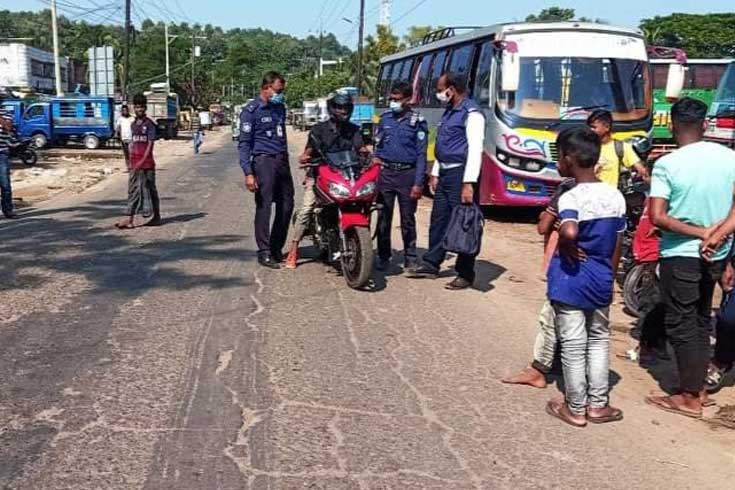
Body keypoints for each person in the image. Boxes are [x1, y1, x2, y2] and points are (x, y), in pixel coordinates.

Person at [644, 98, 735, 419]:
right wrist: (718, 234)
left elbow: (657, 216)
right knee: (699, 319)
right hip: (717, 254)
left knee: (682, 322)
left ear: (672, 124)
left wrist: (699, 233)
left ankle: (689, 397)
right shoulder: (730, 158)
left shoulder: (668, 164)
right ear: (705, 124)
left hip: (680, 253)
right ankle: (696, 388)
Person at [545, 126, 626, 427]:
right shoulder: (615, 196)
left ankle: (575, 407)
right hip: (601, 276)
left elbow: (568, 229)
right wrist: (611, 277)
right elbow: (617, 245)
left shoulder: (571, 196)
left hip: (571, 278)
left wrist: (567, 243)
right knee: (599, 340)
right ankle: (598, 404)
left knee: (573, 343)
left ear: (568, 160)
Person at [409, 73, 485, 290]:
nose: (439, 93)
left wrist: (469, 182)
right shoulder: (449, 112)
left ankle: (465, 273)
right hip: (445, 174)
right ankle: (431, 263)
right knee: (439, 219)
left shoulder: (472, 114)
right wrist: (436, 172)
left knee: (463, 223)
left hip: (462, 174)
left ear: (452, 89)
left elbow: (474, 151)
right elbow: (443, 145)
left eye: (441, 88)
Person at [502, 177, 576, 388]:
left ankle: (539, 370)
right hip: (596, 270)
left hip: (564, 263)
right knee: (587, 325)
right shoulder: (609, 193)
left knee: (551, 315)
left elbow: (544, 227)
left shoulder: (569, 189)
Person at [284, 91, 368, 269]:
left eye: (345, 107)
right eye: (338, 107)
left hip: (346, 176)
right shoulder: (318, 130)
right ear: (332, 108)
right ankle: (294, 248)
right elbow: (307, 152)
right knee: (307, 209)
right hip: (321, 175)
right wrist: (304, 159)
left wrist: (371, 157)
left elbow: (362, 149)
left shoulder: (354, 130)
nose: (342, 111)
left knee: (368, 200)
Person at [239, 71, 294, 269]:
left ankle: (276, 246)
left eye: (282, 91)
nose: (281, 94)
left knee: (287, 205)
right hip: (263, 162)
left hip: (281, 161)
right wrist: (248, 172)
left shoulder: (280, 108)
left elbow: (283, 135)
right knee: (264, 207)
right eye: (278, 90)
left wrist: (286, 157)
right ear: (266, 88)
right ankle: (264, 250)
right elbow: (244, 144)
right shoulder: (251, 111)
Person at [374, 81, 428, 272]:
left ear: (407, 99)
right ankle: (383, 255)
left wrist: (418, 183)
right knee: (383, 218)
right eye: (391, 98)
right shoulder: (385, 119)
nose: (393, 102)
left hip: (407, 175)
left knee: (407, 219)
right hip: (386, 174)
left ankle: (410, 257)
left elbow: (422, 154)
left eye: (396, 99)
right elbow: (377, 148)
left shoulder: (417, 121)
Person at [115, 93, 161, 229]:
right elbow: (133, 144)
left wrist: (142, 161)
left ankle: (157, 216)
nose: (139, 109)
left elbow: (150, 145)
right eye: (137, 107)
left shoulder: (150, 124)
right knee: (133, 189)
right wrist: (131, 161)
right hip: (135, 163)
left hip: (147, 164)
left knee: (151, 189)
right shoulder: (133, 124)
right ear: (133, 108)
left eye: (141, 107)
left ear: (145, 108)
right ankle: (129, 218)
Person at [587, 109, 649, 188]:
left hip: (612, 197)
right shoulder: (587, 147)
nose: (590, 130)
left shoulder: (622, 147)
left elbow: (641, 171)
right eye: (589, 127)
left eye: (594, 127)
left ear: (607, 127)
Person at [0, 110, 18, 219]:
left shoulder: (6, 113)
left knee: (5, 184)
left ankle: (8, 210)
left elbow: (7, 127)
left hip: (2, 154)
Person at [115, 104, 134, 170]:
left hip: (131, 138)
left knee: (131, 152)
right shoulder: (120, 119)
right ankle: (128, 166)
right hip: (123, 138)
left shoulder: (132, 118)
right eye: (123, 111)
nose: (125, 112)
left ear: (128, 111)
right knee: (126, 154)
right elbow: (118, 128)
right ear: (122, 111)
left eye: (126, 110)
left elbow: (134, 127)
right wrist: (117, 136)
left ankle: (132, 166)